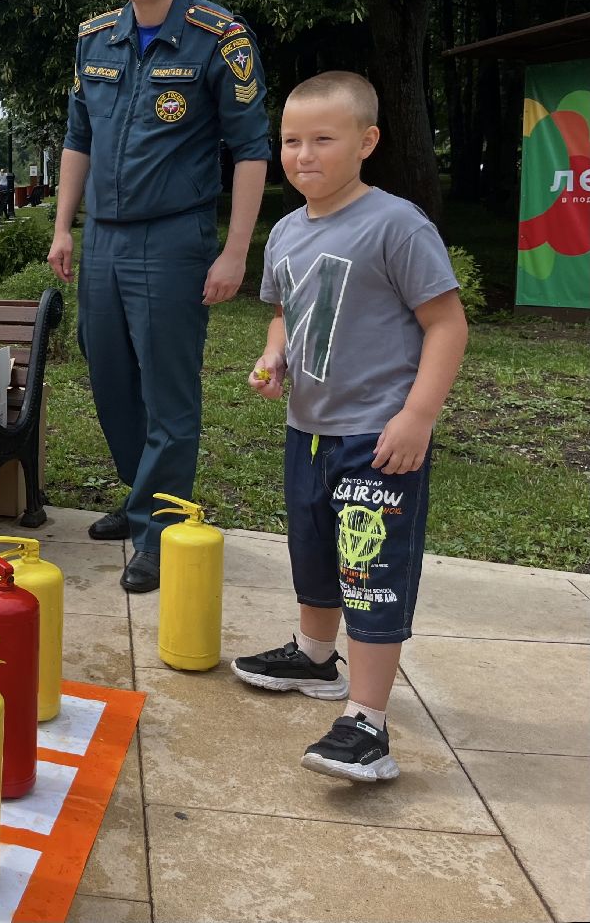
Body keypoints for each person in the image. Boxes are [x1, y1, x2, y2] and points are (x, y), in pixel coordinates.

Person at [233, 71, 467, 782]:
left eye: (322, 140)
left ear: (366, 142)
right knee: (311, 549)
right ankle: (313, 657)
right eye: (290, 141)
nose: (303, 155)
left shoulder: (395, 224)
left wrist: (417, 416)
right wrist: (275, 355)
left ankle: (368, 721)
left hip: (376, 437)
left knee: (370, 572)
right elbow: (283, 310)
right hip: (309, 429)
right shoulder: (285, 230)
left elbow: (447, 324)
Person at [49, 0, 269, 592]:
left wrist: (235, 250)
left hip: (175, 238)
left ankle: (160, 527)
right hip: (104, 240)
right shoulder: (93, 38)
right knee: (110, 378)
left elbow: (252, 147)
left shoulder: (220, 37)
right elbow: (78, 138)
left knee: (169, 391)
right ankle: (141, 494)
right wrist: (62, 226)